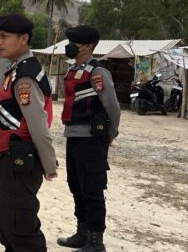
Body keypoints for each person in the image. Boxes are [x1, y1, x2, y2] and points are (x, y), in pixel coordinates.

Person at [0, 14, 58, 252]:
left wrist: (49, 164)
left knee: (20, 223)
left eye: (4, 37)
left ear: (24, 39)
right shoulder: (18, 70)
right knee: (0, 210)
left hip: (21, 159)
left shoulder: (25, 77)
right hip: (9, 156)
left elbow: (39, 125)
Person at [57, 26, 120, 252]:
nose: (70, 44)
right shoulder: (73, 70)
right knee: (76, 185)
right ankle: (82, 233)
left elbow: (112, 106)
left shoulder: (98, 72)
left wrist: (109, 135)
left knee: (92, 188)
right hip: (73, 136)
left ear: (88, 46)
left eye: (75, 41)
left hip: (92, 139)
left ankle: (96, 240)